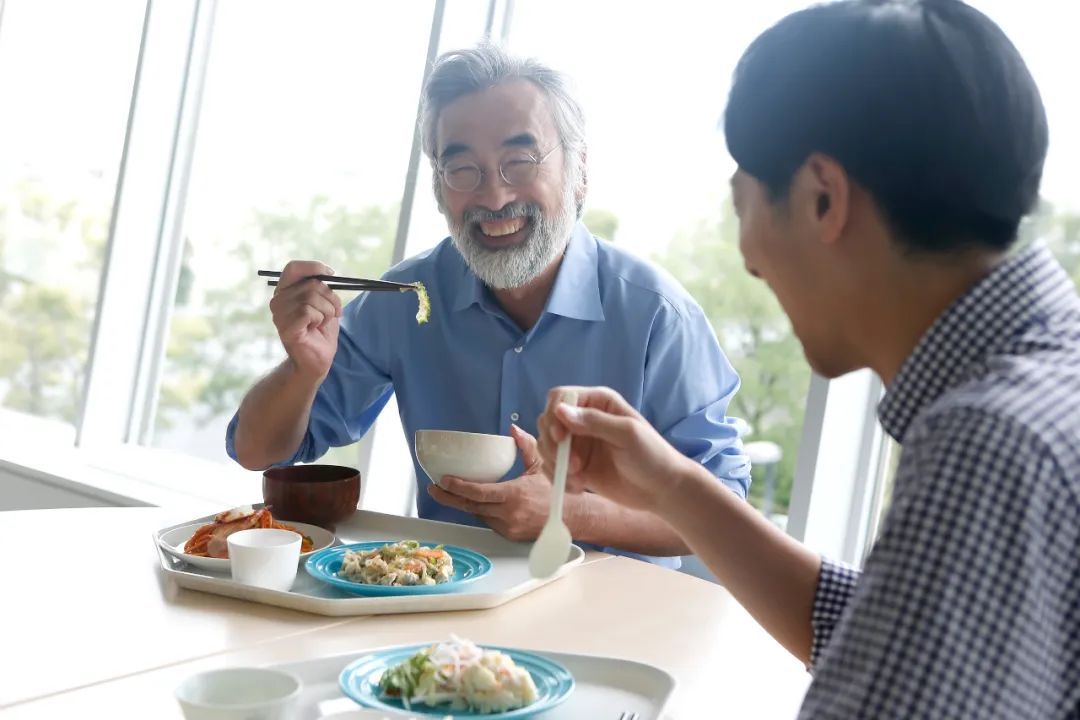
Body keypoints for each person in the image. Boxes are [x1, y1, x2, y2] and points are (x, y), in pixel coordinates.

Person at [537, 0, 1079, 716]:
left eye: (743, 204)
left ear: (823, 199)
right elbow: (890, 632)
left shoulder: (986, 443)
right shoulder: (1049, 385)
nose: (748, 259)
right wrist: (671, 484)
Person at [226, 43, 750, 566]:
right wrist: (302, 370)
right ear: (438, 186)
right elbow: (257, 451)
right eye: (462, 169)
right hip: (445, 601)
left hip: (613, 604)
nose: (495, 197)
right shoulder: (406, 298)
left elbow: (725, 509)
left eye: (519, 162)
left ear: (579, 170)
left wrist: (572, 514)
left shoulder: (657, 315)